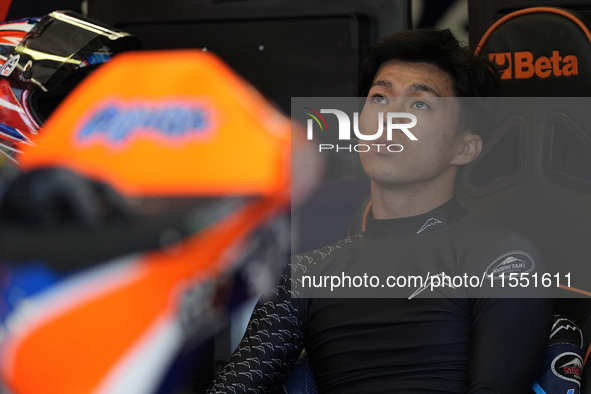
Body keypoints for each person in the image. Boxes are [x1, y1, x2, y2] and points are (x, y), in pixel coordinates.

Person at [207, 28, 555, 393]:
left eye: (420, 103)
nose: (391, 118)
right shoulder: (305, 272)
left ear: (465, 149)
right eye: (380, 98)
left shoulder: (503, 259)